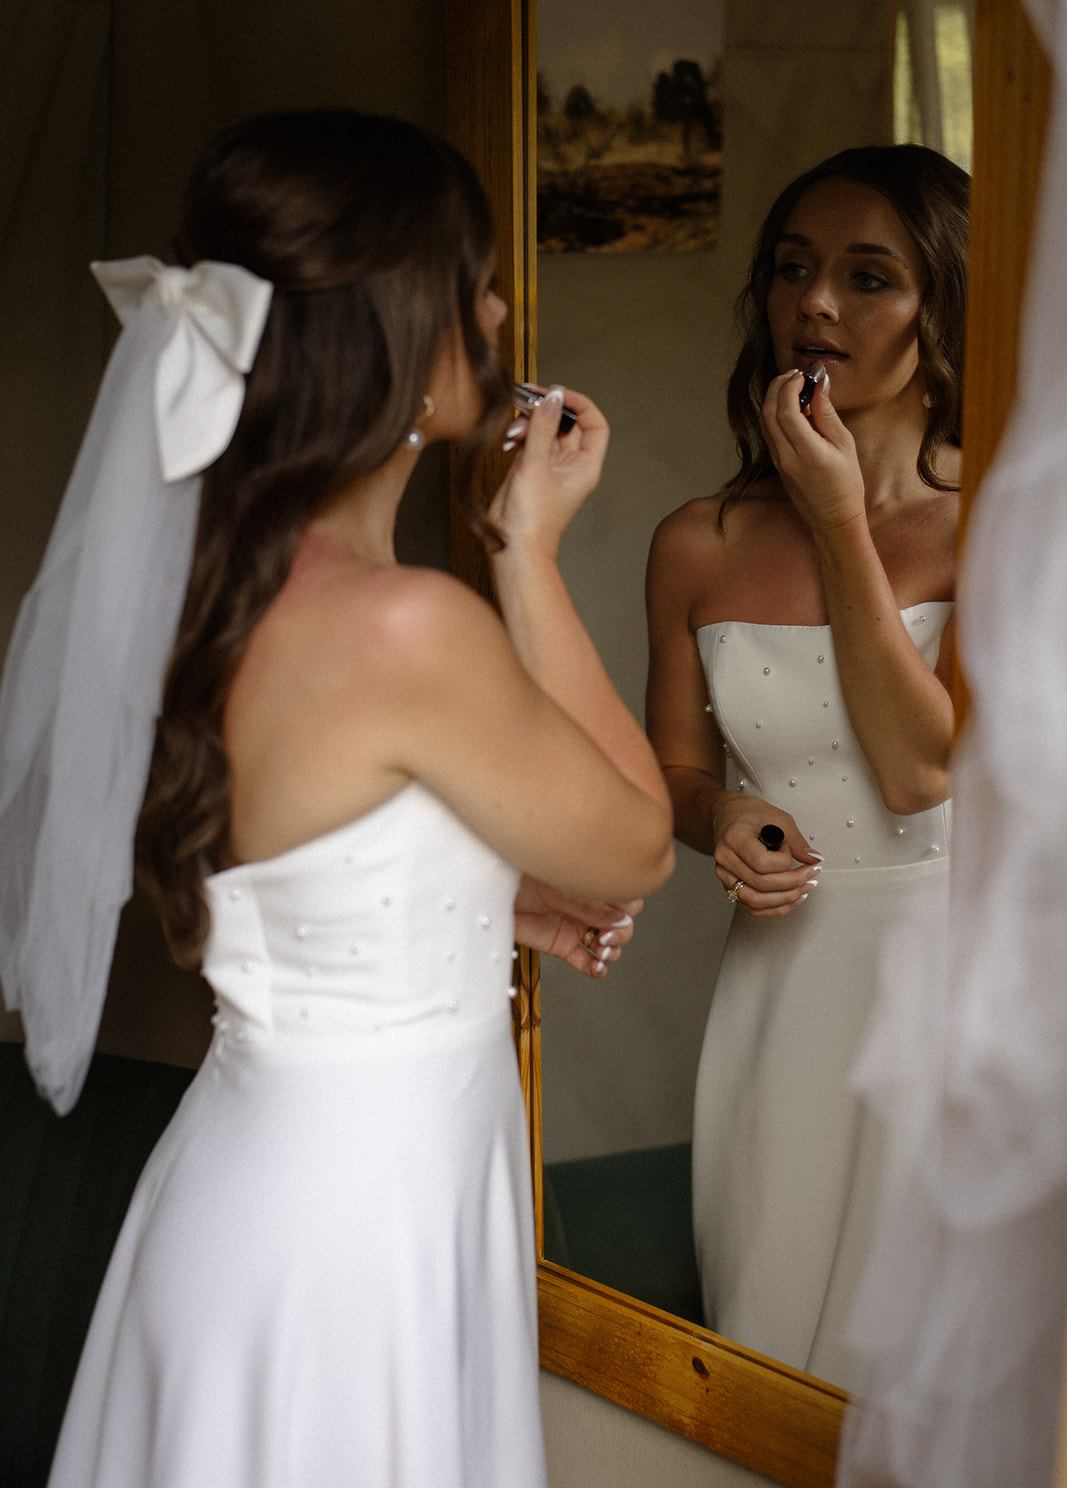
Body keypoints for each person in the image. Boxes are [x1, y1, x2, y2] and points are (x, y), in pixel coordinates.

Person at [0, 109, 674, 1488]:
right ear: (396, 325)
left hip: (277, 1175)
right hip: (354, 1218)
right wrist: (527, 552)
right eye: (472, 280)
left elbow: (295, 869)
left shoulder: (210, 590)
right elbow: (636, 841)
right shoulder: (402, 626)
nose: (494, 310)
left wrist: (475, 909)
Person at [644, 144, 967, 1388]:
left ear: (939, 309)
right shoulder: (698, 542)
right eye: (792, 269)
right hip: (778, 999)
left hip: (947, 996)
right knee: (768, 1335)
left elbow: (915, 774)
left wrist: (837, 518)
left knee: (919, 1370)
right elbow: (672, 769)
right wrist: (716, 807)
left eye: (866, 277)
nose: (814, 303)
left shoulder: (1003, 526)